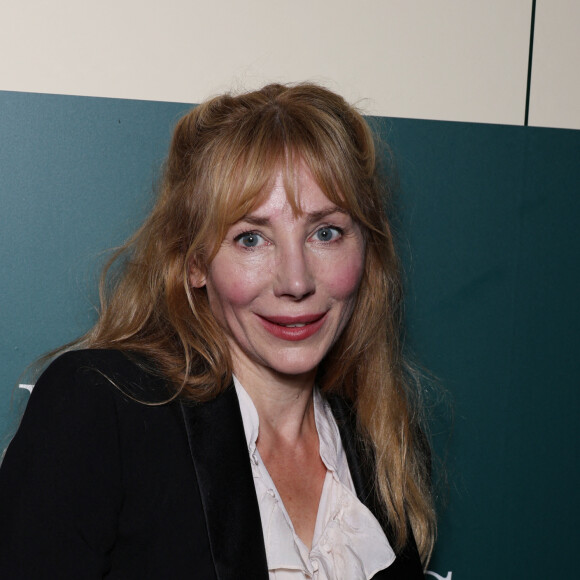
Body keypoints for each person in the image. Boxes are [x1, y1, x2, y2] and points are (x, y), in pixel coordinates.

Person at [0, 83, 435, 578]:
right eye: (251, 238)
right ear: (194, 262)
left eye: (325, 233)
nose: (296, 281)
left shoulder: (382, 441)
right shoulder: (104, 410)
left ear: (366, 249)